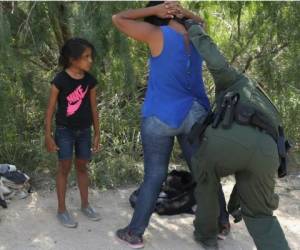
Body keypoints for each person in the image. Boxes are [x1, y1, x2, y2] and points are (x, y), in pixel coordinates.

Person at [112, 2, 229, 248]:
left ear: (156, 15)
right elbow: (201, 21)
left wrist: (150, 12)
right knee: (203, 171)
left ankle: (134, 233)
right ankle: (221, 223)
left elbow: (119, 18)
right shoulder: (196, 34)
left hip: (160, 115)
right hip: (194, 114)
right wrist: (184, 13)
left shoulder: (156, 34)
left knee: (155, 175)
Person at [184, 20, 291, 249]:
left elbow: (214, 59)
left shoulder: (235, 80)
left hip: (229, 140)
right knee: (261, 215)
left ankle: (206, 235)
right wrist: (237, 202)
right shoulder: (268, 105)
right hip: (268, 152)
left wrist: (192, 26)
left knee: (206, 177)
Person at [45, 38, 101, 228]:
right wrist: (48, 135)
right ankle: (62, 210)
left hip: (85, 131)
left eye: (90, 56)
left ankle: (85, 205)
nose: (90, 60)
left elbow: (94, 108)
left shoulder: (90, 81)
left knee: (82, 166)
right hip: (64, 131)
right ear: (72, 59)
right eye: (86, 57)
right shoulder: (60, 80)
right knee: (64, 167)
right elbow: (50, 110)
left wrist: (97, 133)